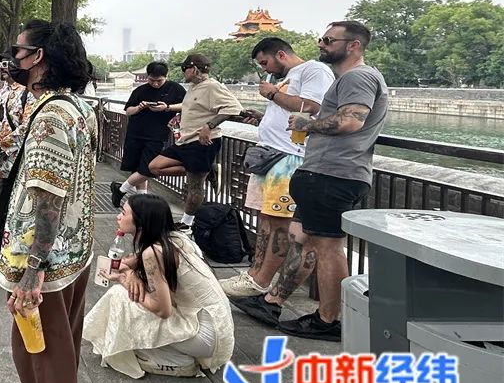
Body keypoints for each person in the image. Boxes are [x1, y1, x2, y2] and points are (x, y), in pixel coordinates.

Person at [233, 21, 388, 341]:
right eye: (322, 38)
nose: (321, 44)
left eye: (329, 40)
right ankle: (273, 301)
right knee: (302, 238)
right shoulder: (348, 78)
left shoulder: (358, 76)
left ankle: (330, 319)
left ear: (354, 45)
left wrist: (307, 123)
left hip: (334, 173)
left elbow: (351, 121)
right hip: (323, 171)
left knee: (328, 247)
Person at [0, 20, 98, 383]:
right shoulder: (77, 106)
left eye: (17, 52)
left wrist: (32, 270)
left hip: (47, 262)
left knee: (40, 355)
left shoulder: (51, 117)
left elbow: (48, 200)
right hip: (75, 250)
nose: (11, 60)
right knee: (61, 348)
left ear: (38, 57)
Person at [220, 37, 333, 299]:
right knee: (266, 220)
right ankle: (254, 274)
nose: (265, 69)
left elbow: (312, 106)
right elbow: (289, 111)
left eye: (265, 63)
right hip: (270, 155)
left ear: (281, 54)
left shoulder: (314, 70)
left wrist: (272, 94)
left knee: (279, 223)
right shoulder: (286, 78)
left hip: (289, 156)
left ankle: (261, 280)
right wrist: (264, 117)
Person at [83, 194, 235, 379]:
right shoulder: (173, 238)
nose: (118, 217)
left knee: (120, 295)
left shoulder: (153, 252)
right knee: (134, 292)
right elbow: (127, 263)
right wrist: (130, 273)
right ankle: (171, 353)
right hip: (218, 330)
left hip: (203, 336)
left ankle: (176, 361)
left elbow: (163, 310)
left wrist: (125, 280)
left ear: (141, 222)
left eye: (123, 213)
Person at [147, 54, 243, 229]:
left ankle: (187, 223)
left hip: (202, 142)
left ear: (194, 69)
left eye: (184, 68)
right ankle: (208, 170)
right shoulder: (193, 87)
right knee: (154, 167)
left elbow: (234, 108)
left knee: (195, 186)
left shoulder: (212, 86)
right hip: (185, 140)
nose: (183, 72)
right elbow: (189, 107)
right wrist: (169, 109)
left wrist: (209, 125)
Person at [110, 62, 185, 207]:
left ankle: (121, 189)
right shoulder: (140, 90)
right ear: (147, 77)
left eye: (159, 81)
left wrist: (167, 107)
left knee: (147, 168)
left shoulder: (175, 89)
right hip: (135, 132)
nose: (155, 84)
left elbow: (187, 105)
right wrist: (139, 107)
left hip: (157, 135)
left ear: (166, 76)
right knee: (138, 168)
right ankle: (141, 201)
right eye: (152, 80)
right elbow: (128, 111)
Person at [0, 54, 33, 182]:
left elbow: (27, 126)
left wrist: (1, 147)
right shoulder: (2, 91)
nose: (1, 68)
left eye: (5, 64)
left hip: (17, 162)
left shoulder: (28, 91)